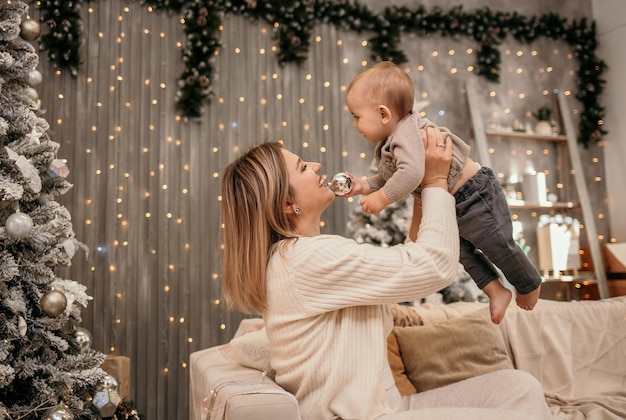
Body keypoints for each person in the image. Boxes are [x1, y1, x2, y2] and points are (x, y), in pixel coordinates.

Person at [220, 128, 551, 420]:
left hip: (387, 407)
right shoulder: (306, 260)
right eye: (303, 167)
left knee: (518, 388)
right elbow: (434, 265)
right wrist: (437, 181)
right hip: (359, 417)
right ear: (286, 202)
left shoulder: (301, 256)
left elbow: (408, 265)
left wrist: (422, 189)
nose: (317, 166)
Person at [343, 61, 542, 324]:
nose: (356, 124)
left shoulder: (406, 133)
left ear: (383, 114)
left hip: (474, 195)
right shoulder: (391, 141)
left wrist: (381, 198)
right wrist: (365, 186)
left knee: (495, 243)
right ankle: (496, 290)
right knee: (460, 252)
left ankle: (528, 283)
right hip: (452, 202)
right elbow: (391, 176)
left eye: (357, 116)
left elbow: (412, 174)